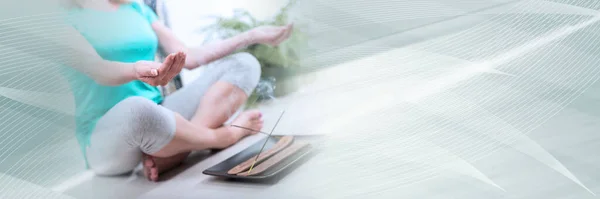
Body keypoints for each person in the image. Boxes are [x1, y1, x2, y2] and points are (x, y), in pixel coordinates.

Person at [62, 0, 293, 181]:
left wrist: (251, 36)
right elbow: (98, 70)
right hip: (107, 137)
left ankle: (176, 153)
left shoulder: (135, 8)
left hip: (158, 114)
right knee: (138, 110)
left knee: (244, 64)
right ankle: (222, 137)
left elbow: (188, 56)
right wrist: (136, 69)